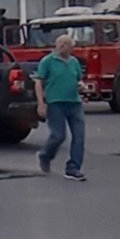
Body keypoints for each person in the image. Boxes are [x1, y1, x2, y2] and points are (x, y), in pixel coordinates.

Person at [34, 33, 86, 180]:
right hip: (55, 103)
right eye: (68, 46)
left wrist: (81, 85)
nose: (70, 50)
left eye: (70, 47)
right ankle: (45, 155)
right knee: (58, 135)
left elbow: (79, 79)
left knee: (79, 136)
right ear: (60, 45)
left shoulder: (74, 62)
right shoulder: (47, 61)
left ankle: (73, 167)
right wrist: (41, 104)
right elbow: (39, 82)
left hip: (74, 103)